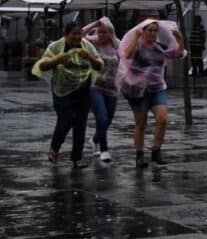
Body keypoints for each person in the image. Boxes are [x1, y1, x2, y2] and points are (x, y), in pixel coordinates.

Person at [33, 21, 103, 169]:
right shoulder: (56, 46)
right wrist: (57, 60)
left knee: (80, 124)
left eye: (79, 33)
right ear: (66, 34)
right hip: (62, 90)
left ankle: (77, 158)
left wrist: (89, 57)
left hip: (83, 90)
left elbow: (99, 65)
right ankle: (55, 149)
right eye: (73, 34)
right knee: (66, 119)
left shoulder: (87, 46)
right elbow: (42, 65)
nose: (77, 37)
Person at [118, 20, 185, 168]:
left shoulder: (159, 48)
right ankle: (139, 155)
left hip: (157, 88)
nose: (153, 33)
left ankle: (156, 150)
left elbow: (178, 53)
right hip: (138, 90)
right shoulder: (138, 46)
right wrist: (135, 36)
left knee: (162, 119)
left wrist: (179, 38)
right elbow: (126, 55)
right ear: (143, 31)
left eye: (155, 31)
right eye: (150, 30)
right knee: (141, 124)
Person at [82, 17, 120, 163]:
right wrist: (95, 24)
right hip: (95, 86)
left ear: (110, 33)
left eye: (105, 32)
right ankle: (104, 149)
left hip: (112, 89)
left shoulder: (117, 45)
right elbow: (81, 34)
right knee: (101, 117)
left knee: (107, 120)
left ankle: (95, 139)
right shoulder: (93, 43)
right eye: (100, 32)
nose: (102, 35)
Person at [189, 15, 206, 87]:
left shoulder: (201, 28)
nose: (195, 21)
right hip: (193, 46)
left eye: (196, 20)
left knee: (199, 60)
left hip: (198, 46)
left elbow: (203, 37)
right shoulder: (193, 27)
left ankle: (200, 73)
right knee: (193, 60)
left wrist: (202, 45)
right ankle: (194, 72)